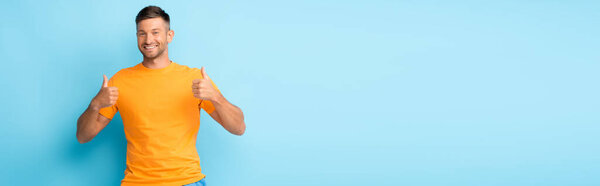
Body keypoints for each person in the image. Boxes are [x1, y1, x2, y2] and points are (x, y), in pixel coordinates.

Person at [76, 5, 246, 186]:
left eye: (155, 32)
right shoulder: (120, 81)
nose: (148, 39)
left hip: (186, 181)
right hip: (138, 182)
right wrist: (95, 104)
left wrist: (216, 97)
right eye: (142, 33)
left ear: (169, 36)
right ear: (137, 37)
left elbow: (238, 128)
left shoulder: (194, 78)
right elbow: (83, 136)